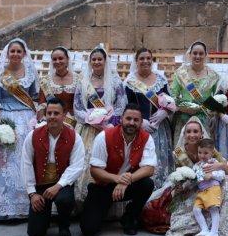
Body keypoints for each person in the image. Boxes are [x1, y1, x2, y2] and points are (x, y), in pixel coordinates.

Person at [143, 116, 228, 236]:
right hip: (193, 184)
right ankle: (204, 229)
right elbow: (179, 173)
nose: (192, 135)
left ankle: (217, 228)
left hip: (212, 181)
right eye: (188, 132)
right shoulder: (178, 152)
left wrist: (219, 166)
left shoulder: (209, 148)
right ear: (184, 134)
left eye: (196, 131)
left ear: (201, 134)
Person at [0, 38, 40, 220]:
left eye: (18, 51)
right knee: (3, 161)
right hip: (6, 116)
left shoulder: (31, 71)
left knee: (26, 158)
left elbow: (35, 96)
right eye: (12, 51)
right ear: (7, 54)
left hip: (27, 117)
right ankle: (3, 204)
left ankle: (25, 204)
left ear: (24, 54)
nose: (15, 54)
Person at [80, 104, 156, 236]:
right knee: (88, 230)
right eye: (128, 118)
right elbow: (95, 171)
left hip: (128, 185)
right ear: (121, 119)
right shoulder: (104, 136)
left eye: (136, 120)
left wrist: (126, 180)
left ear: (141, 122)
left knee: (147, 184)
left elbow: (149, 169)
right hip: (103, 186)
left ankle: (130, 216)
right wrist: (117, 179)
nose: (131, 123)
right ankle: (101, 211)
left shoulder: (146, 138)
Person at [22, 97, 84, 236]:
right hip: (40, 184)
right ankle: (44, 220)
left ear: (64, 115)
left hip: (61, 183)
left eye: (56, 113)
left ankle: (64, 225)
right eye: (49, 113)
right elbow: (26, 163)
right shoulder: (33, 135)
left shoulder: (75, 137)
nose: (52, 117)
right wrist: (32, 194)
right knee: (35, 234)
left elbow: (77, 166)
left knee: (64, 200)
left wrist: (58, 186)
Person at [73, 46, 127, 203]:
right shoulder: (83, 82)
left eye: (99, 59)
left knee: (107, 162)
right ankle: (82, 202)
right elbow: (77, 107)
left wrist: (108, 122)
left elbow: (121, 106)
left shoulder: (115, 81)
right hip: (87, 129)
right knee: (86, 163)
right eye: (93, 59)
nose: (96, 62)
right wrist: (91, 120)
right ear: (89, 62)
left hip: (109, 129)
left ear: (105, 61)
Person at [124, 48, 174, 187]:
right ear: (136, 61)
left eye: (148, 58)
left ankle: (161, 196)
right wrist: (140, 122)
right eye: (142, 58)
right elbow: (126, 106)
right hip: (139, 129)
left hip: (160, 129)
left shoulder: (161, 79)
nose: (145, 61)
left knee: (160, 161)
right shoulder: (130, 82)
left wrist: (166, 112)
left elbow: (171, 102)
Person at [171, 41, 220, 144]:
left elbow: (218, 97)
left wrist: (212, 111)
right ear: (190, 54)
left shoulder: (213, 75)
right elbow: (173, 96)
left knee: (204, 150)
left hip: (205, 118)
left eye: (201, 53)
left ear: (205, 55)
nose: (198, 56)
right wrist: (182, 106)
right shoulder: (181, 73)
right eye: (195, 53)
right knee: (184, 150)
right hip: (184, 118)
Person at [192, 138, 226, 236]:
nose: (202, 155)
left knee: (213, 209)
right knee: (196, 209)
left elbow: (222, 175)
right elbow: (194, 178)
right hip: (202, 191)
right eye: (200, 152)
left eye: (206, 153)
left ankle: (214, 232)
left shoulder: (214, 163)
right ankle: (204, 230)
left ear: (212, 153)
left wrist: (212, 175)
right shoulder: (196, 166)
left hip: (212, 188)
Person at [37, 46, 79, 128]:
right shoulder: (45, 80)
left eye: (60, 58)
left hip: (74, 122)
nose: (57, 61)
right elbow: (42, 104)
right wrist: (40, 123)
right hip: (52, 121)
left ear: (67, 59)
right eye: (54, 59)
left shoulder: (78, 79)